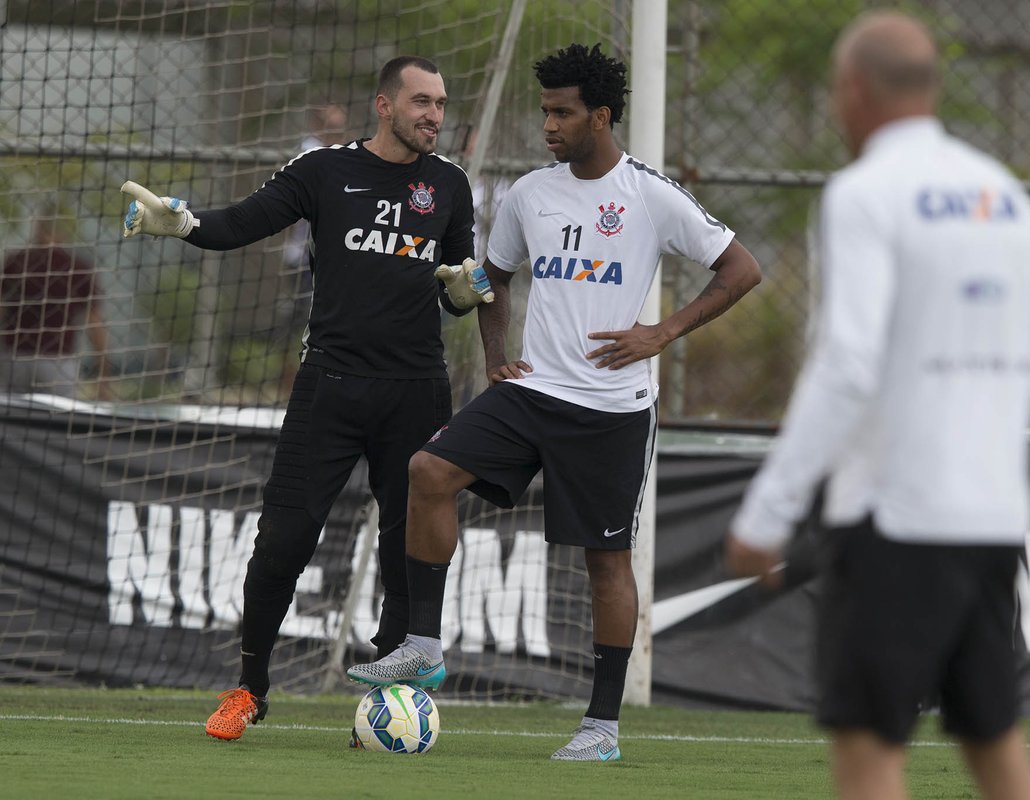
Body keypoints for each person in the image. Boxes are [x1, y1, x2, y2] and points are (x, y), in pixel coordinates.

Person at [346, 42, 763, 762]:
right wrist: (495, 357)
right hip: (531, 390)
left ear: (600, 117)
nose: (548, 125)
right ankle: (422, 645)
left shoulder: (649, 195)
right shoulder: (530, 194)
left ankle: (601, 727)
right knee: (427, 473)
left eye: (562, 113)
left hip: (610, 407)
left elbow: (741, 268)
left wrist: (661, 332)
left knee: (606, 563)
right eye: (544, 112)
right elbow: (494, 277)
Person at [724, 12, 1030, 800]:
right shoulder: (1004, 196)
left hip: (895, 521)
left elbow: (847, 362)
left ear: (853, 90)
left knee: (870, 755)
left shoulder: (864, 194)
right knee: (999, 755)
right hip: (993, 517)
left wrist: (768, 513)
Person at [120, 55, 494, 743]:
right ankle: (249, 688)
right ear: (383, 105)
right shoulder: (323, 170)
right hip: (329, 385)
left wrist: (463, 296)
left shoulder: (450, 185)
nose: (434, 115)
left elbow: (456, 280)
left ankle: (389, 694)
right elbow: (242, 223)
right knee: (283, 539)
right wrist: (185, 225)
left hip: (416, 390)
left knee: (402, 546)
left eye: (441, 103)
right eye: (421, 102)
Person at [276, 103, 351, 398]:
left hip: (326, 255)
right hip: (303, 256)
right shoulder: (309, 153)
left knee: (320, 318)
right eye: (334, 124)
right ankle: (290, 381)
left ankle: (312, 380)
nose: (339, 130)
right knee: (300, 319)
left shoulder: (337, 153)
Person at [1, 204, 113, 400]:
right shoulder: (76, 267)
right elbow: (95, 325)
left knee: (12, 421)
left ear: (37, 227)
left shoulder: (17, 262)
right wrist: (103, 374)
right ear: (64, 232)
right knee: (57, 422)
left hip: (15, 357)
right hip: (58, 362)